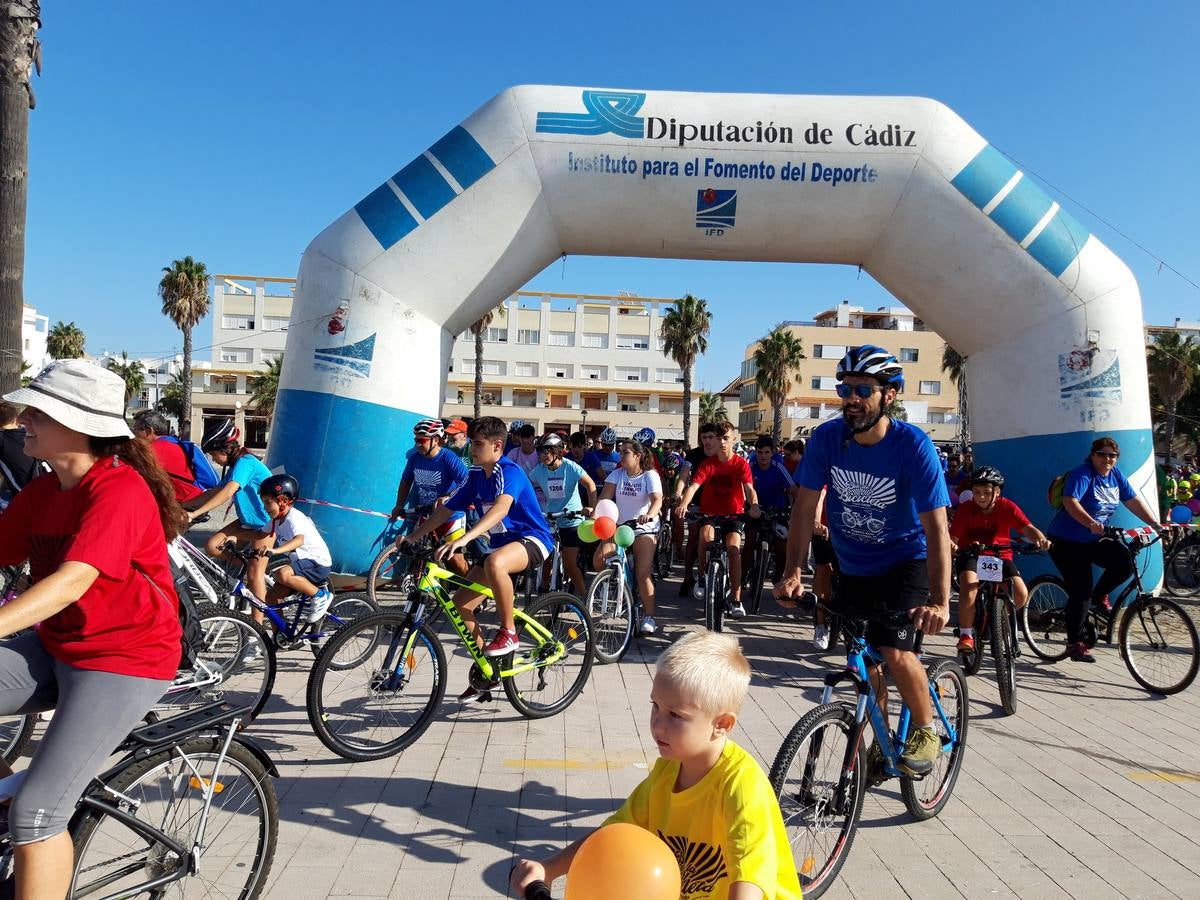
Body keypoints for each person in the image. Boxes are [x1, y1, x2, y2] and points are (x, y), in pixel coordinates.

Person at [0, 361, 183, 897]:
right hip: (59, 645)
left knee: (37, 816)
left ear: (79, 425)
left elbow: (70, 583)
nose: (24, 418)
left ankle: (26, 803)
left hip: (124, 662)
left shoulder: (119, 492)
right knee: (26, 799)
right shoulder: (45, 491)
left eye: (38, 411)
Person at [510, 631, 801, 900]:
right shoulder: (667, 770)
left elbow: (749, 878)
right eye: (655, 706)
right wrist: (549, 869)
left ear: (721, 725)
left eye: (675, 715)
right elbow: (613, 833)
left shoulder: (742, 786)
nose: (657, 725)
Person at [775, 345, 952, 778]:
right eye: (844, 389)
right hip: (853, 564)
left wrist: (941, 603)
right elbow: (804, 508)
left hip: (905, 560)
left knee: (894, 649)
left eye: (861, 390)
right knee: (864, 661)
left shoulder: (914, 447)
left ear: (889, 395)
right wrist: (792, 571)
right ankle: (884, 739)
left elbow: (937, 530)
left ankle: (926, 730)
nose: (850, 398)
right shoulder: (827, 439)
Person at [400, 416, 554, 701]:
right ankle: (488, 671)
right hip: (501, 546)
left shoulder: (510, 472)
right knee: (459, 605)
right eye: (471, 442)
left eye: (478, 444)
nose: (472, 448)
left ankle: (508, 632)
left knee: (495, 562)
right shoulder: (474, 475)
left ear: (497, 446)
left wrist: (466, 537)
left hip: (533, 540)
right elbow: (445, 511)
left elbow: (501, 509)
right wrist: (413, 537)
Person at [1046, 436, 1163, 662]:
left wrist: (1155, 524)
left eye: (1112, 455)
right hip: (1066, 540)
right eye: (1102, 454)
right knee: (1081, 592)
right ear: (1093, 455)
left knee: (1124, 562)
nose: (1107, 459)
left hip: (1093, 539)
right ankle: (1074, 643)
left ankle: (1099, 597)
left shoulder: (1115, 475)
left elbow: (1133, 501)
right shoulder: (1083, 473)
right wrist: (1090, 523)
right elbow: (1071, 502)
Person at [949, 466, 1050, 653]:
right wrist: (952, 545)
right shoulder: (965, 509)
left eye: (986, 493)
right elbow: (952, 538)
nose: (980, 497)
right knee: (969, 586)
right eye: (976, 492)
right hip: (971, 555)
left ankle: (997, 617)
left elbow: (1027, 528)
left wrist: (1040, 539)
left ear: (997, 492)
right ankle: (966, 634)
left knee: (1020, 594)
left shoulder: (1007, 506)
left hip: (999, 556)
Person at [186, 419, 274, 621]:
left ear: (224, 449)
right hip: (247, 523)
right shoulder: (236, 465)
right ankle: (250, 570)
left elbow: (227, 492)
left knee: (254, 575)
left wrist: (194, 514)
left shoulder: (246, 463)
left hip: (265, 524)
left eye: (213, 454)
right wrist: (182, 506)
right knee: (213, 545)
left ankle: (256, 631)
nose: (213, 459)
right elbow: (214, 492)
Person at [679, 421, 761, 619]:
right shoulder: (708, 464)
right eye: (719, 438)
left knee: (733, 550)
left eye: (726, 438)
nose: (722, 442)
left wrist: (755, 505)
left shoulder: (741, 464)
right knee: (704, 537)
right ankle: (701, 577)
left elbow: (749, 489)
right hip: (710, 513)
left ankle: (736, 599)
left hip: (733, 514)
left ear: (733, 439)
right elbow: (693, 486)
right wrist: (683, 503)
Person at [594, 440, 663, 634]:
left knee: (643, 573)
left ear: (637, 456)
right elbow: (604, 499)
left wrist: (649, 514)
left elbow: (657, 500)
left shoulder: (650, 476)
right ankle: (616, 582)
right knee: (599, 562)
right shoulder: (617, 474)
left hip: (643, 528)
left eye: (625, 452)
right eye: (620, 451)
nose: (620, 455)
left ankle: (649, 616)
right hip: (619, 527)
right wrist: (594, 516)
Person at [390, 419, 470, 576]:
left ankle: (475, 592)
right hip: (426, 513)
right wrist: (399, 505)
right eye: (416, 440)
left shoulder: (448, 457)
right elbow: (406, 481)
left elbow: (466, 482)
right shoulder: (414, 458)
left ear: (436, 440)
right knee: (418, 555)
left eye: (422, 440)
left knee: (456, 561)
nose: (418, 444)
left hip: (450, 515)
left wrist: (448, 496)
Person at [258, 474, 333, 622]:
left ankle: (320, 596)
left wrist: (276, 550)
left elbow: (299, 540)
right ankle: (280, 635)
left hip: (317, 563)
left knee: (282, 574)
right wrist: (232, 537)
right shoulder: (276, 520)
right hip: (302, 565)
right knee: (271, 597)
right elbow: (258, 534)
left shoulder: (294, 517)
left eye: (268, 503)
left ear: (283, 501)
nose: (265, 508)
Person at [529, 433, 597, 596]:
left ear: (557, 451)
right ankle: (543, 592)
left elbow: (590, 485)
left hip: (572, 520)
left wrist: (592, 509)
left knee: (569, 565)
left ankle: (583, 597)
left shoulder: (570, 467)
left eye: (546, 451)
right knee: (544, 558)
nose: (542, 456)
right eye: (540, 452)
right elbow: (524, 486)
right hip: (552, 519)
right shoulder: (539, 470)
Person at [676, 422, 720, 598]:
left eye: (711, 437)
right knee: (693, 536)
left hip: (719, 505)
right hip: (696, 503)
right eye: (704, 437)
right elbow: (684, 475)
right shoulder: (693, 455)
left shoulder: (722, 455)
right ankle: (688, 577)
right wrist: (679, 493)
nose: (707, 441)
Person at [131, 409, 204, 504]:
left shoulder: (150, 450)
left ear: (149, 431)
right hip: (197, 498)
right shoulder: (176, 443)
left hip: (183, 504)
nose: (134, 434)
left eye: (136, 429)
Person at [0, 400, 46, 508]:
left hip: (24, 495)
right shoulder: (28, 433)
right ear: (16, 419)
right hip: (44, 485)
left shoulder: (1, 439)